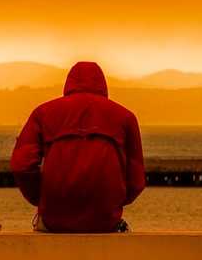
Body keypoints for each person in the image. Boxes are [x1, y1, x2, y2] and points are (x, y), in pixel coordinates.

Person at [10, 62, 145, 233]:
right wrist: (112, 202)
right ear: (103, 85)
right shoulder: (126, 118)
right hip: (105, 220)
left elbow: (21, 165)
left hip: (54, 220)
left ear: (68, 84)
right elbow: (136, 180)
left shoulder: (42, 113)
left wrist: (42, 199)